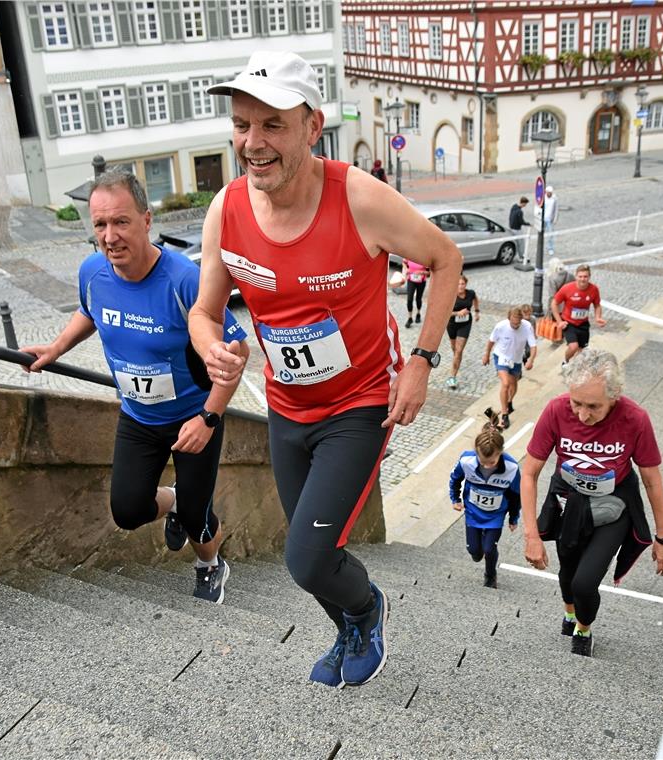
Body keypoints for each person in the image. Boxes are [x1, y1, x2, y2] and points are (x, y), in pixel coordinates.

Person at [192, 51, 463, 688]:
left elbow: (446, 259)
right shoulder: (226, 210)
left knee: (306, 556)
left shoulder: (359, 198)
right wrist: (210, 345)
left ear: (313, 127)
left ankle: (368, 610)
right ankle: (350, 628)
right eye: (241, 125)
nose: (252, 144)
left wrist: (421, 361)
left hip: (361, 402)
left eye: (272, 126)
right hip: (288, 408)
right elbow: (204, 313)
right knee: (310, 557)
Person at [21, 170, 249, 605]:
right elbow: (90, 312)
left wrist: (209, 417)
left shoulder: (184, 279)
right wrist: (55, 348)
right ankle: (177, 501)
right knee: (127, 511)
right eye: (100, 225)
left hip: (193, 420)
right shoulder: (93, 272)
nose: (110, 237)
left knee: (200, 518)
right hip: (139, 418)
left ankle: (210, 564)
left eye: (121, 222)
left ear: (146, 220)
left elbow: (236, 351)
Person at [520, 349, 663, 657]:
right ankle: (569, 613)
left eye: (594, 406)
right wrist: (531, 535)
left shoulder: (635, 419)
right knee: (567, 572)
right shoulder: (556, 410)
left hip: (613, 506)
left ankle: (584, 628)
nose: (583, 415)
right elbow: (530, 472)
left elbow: (652, 480)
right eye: (576, 403)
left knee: (585, 582)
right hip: (569, 503)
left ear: (614, 396)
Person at [449, 410, 520, 588]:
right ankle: (477, 552)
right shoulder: (466, 461)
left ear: (501, 453)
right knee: (474, 551)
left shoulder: (511, 467)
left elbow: (515, 495)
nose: (487, 465)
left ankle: (490, 575)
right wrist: (455, 498)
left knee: (489, 549)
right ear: (476, 453)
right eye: (483, 462)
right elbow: (455, 479)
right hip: (473, 512)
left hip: (496, 516)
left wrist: (513, 518)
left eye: (492, 462)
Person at [482, 306, 537, 430]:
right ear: (509, 319)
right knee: (505, 384)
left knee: (514, 385)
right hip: (501, 357)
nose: (515, 326)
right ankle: (505, 414)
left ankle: (509, 401)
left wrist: (530, 360)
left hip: (516, 360)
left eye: (517, 323)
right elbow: (491, 341)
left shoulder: (527, 326)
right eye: (513, 323)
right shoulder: (501, 326)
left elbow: (533, 346)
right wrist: (486, 355)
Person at [553, 264, 606, 364]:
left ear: (589, 277)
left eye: (585, 276)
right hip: (568, 323)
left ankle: (577, 366)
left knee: (582, 351)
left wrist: (598, 317)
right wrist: (559, 321)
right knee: (573, 346)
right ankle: (566, 361)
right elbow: (554, 303)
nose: (582, 279)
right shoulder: (567, 288)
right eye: (580, 276)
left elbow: (597, 305)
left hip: (583, 324)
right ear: (576, 276)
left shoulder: (594, 289)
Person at [445, 273, 480, 389]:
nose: (460, 286)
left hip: (465, 324)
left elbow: (475, 299)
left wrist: (477, 311)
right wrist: (457, 313)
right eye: (458, 284)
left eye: (463, 284)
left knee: (459, 350)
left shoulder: (470, 293)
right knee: (455, 349)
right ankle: (457, 360)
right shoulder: (450, 296)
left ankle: (452, 377)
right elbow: (443, 313)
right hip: (451, 324)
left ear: (466, 284)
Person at [403, 258, 429, 328]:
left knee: (418, 299)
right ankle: (410, 318)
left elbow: (429, 273)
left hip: (421, 281)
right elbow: (404, 263)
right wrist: (406, 270)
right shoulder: (409, 255)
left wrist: (422, 272)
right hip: (411, 280)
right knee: (409, 299)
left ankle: (418, 313)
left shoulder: (425, 257)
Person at [534, 186, 558, 259]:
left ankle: (550, 248)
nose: (549, 194)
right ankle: (539, 247)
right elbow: (537, 206)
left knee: (550, 234)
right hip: (542, 218)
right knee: (540, 233)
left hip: (549, 219)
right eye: (548, 193)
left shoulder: (554, 199)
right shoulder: (543, 198)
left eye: (551, 193)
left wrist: (555, 218)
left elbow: (556, 209)